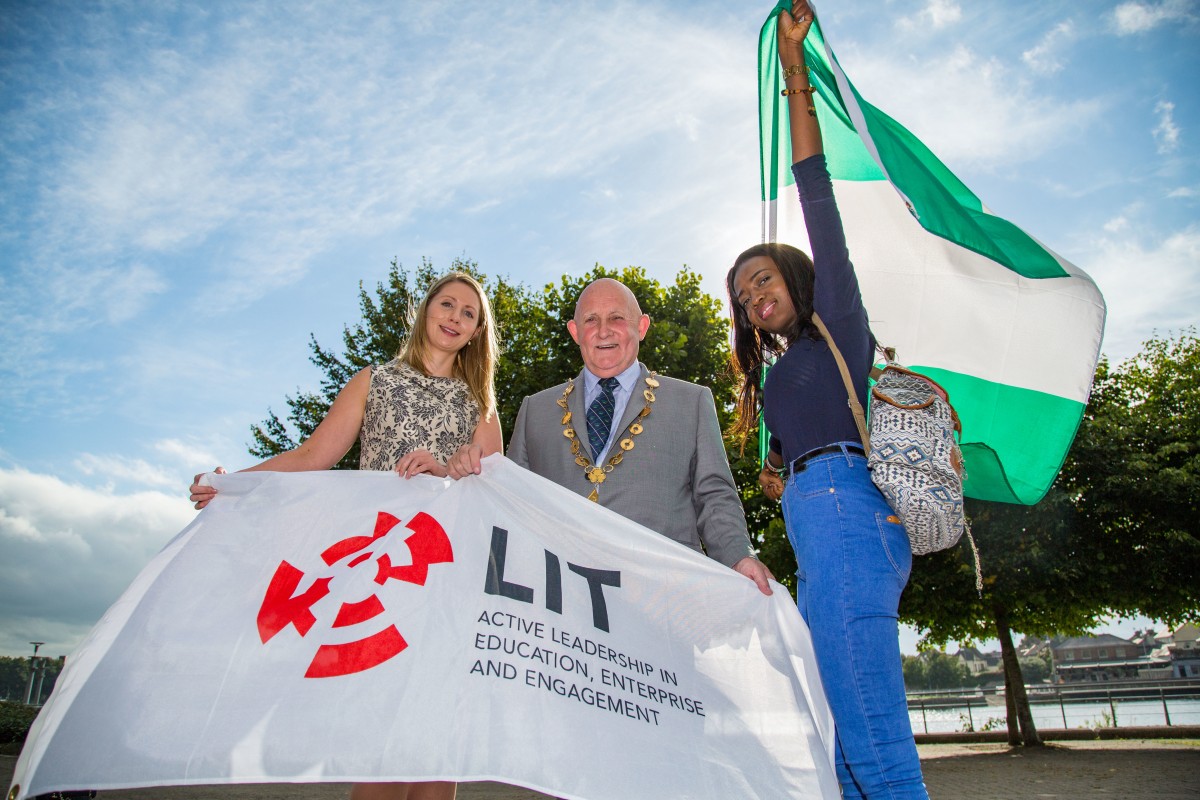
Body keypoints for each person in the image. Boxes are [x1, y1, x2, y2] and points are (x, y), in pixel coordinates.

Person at [189, 271, 503, 800]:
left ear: (476, 332)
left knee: (434, 738)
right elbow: (314, 457)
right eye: (446, 304)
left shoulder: (481, 405)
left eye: (468, 313)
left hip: (446, 571)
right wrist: (231, 485)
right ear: (425, 312)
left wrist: (446, 469)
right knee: (382, 737)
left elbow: (493, 485)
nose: (455, 316)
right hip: (380, 573)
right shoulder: (373, 381)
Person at [726, 3, 928, 798]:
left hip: (851, 514)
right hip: (819, 528)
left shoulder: (838, 323)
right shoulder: (783, 370)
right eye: (742, 294)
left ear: (797, 279)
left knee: (869, 730)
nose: (751, 297)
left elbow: (817, 199)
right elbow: (803, 430)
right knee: (837, 736)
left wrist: (795, 73)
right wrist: (784, 469)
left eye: (762, 279)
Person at [451, 277, 774, 595]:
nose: (603, 330)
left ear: (642, 326)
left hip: (664, 594)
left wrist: (737, 556)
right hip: (562, 598)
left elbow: (714, 494)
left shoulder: (691, 401)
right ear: (575, 332)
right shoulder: (535, 409)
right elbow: (515, 503)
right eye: (591, 320)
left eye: (617, 318)